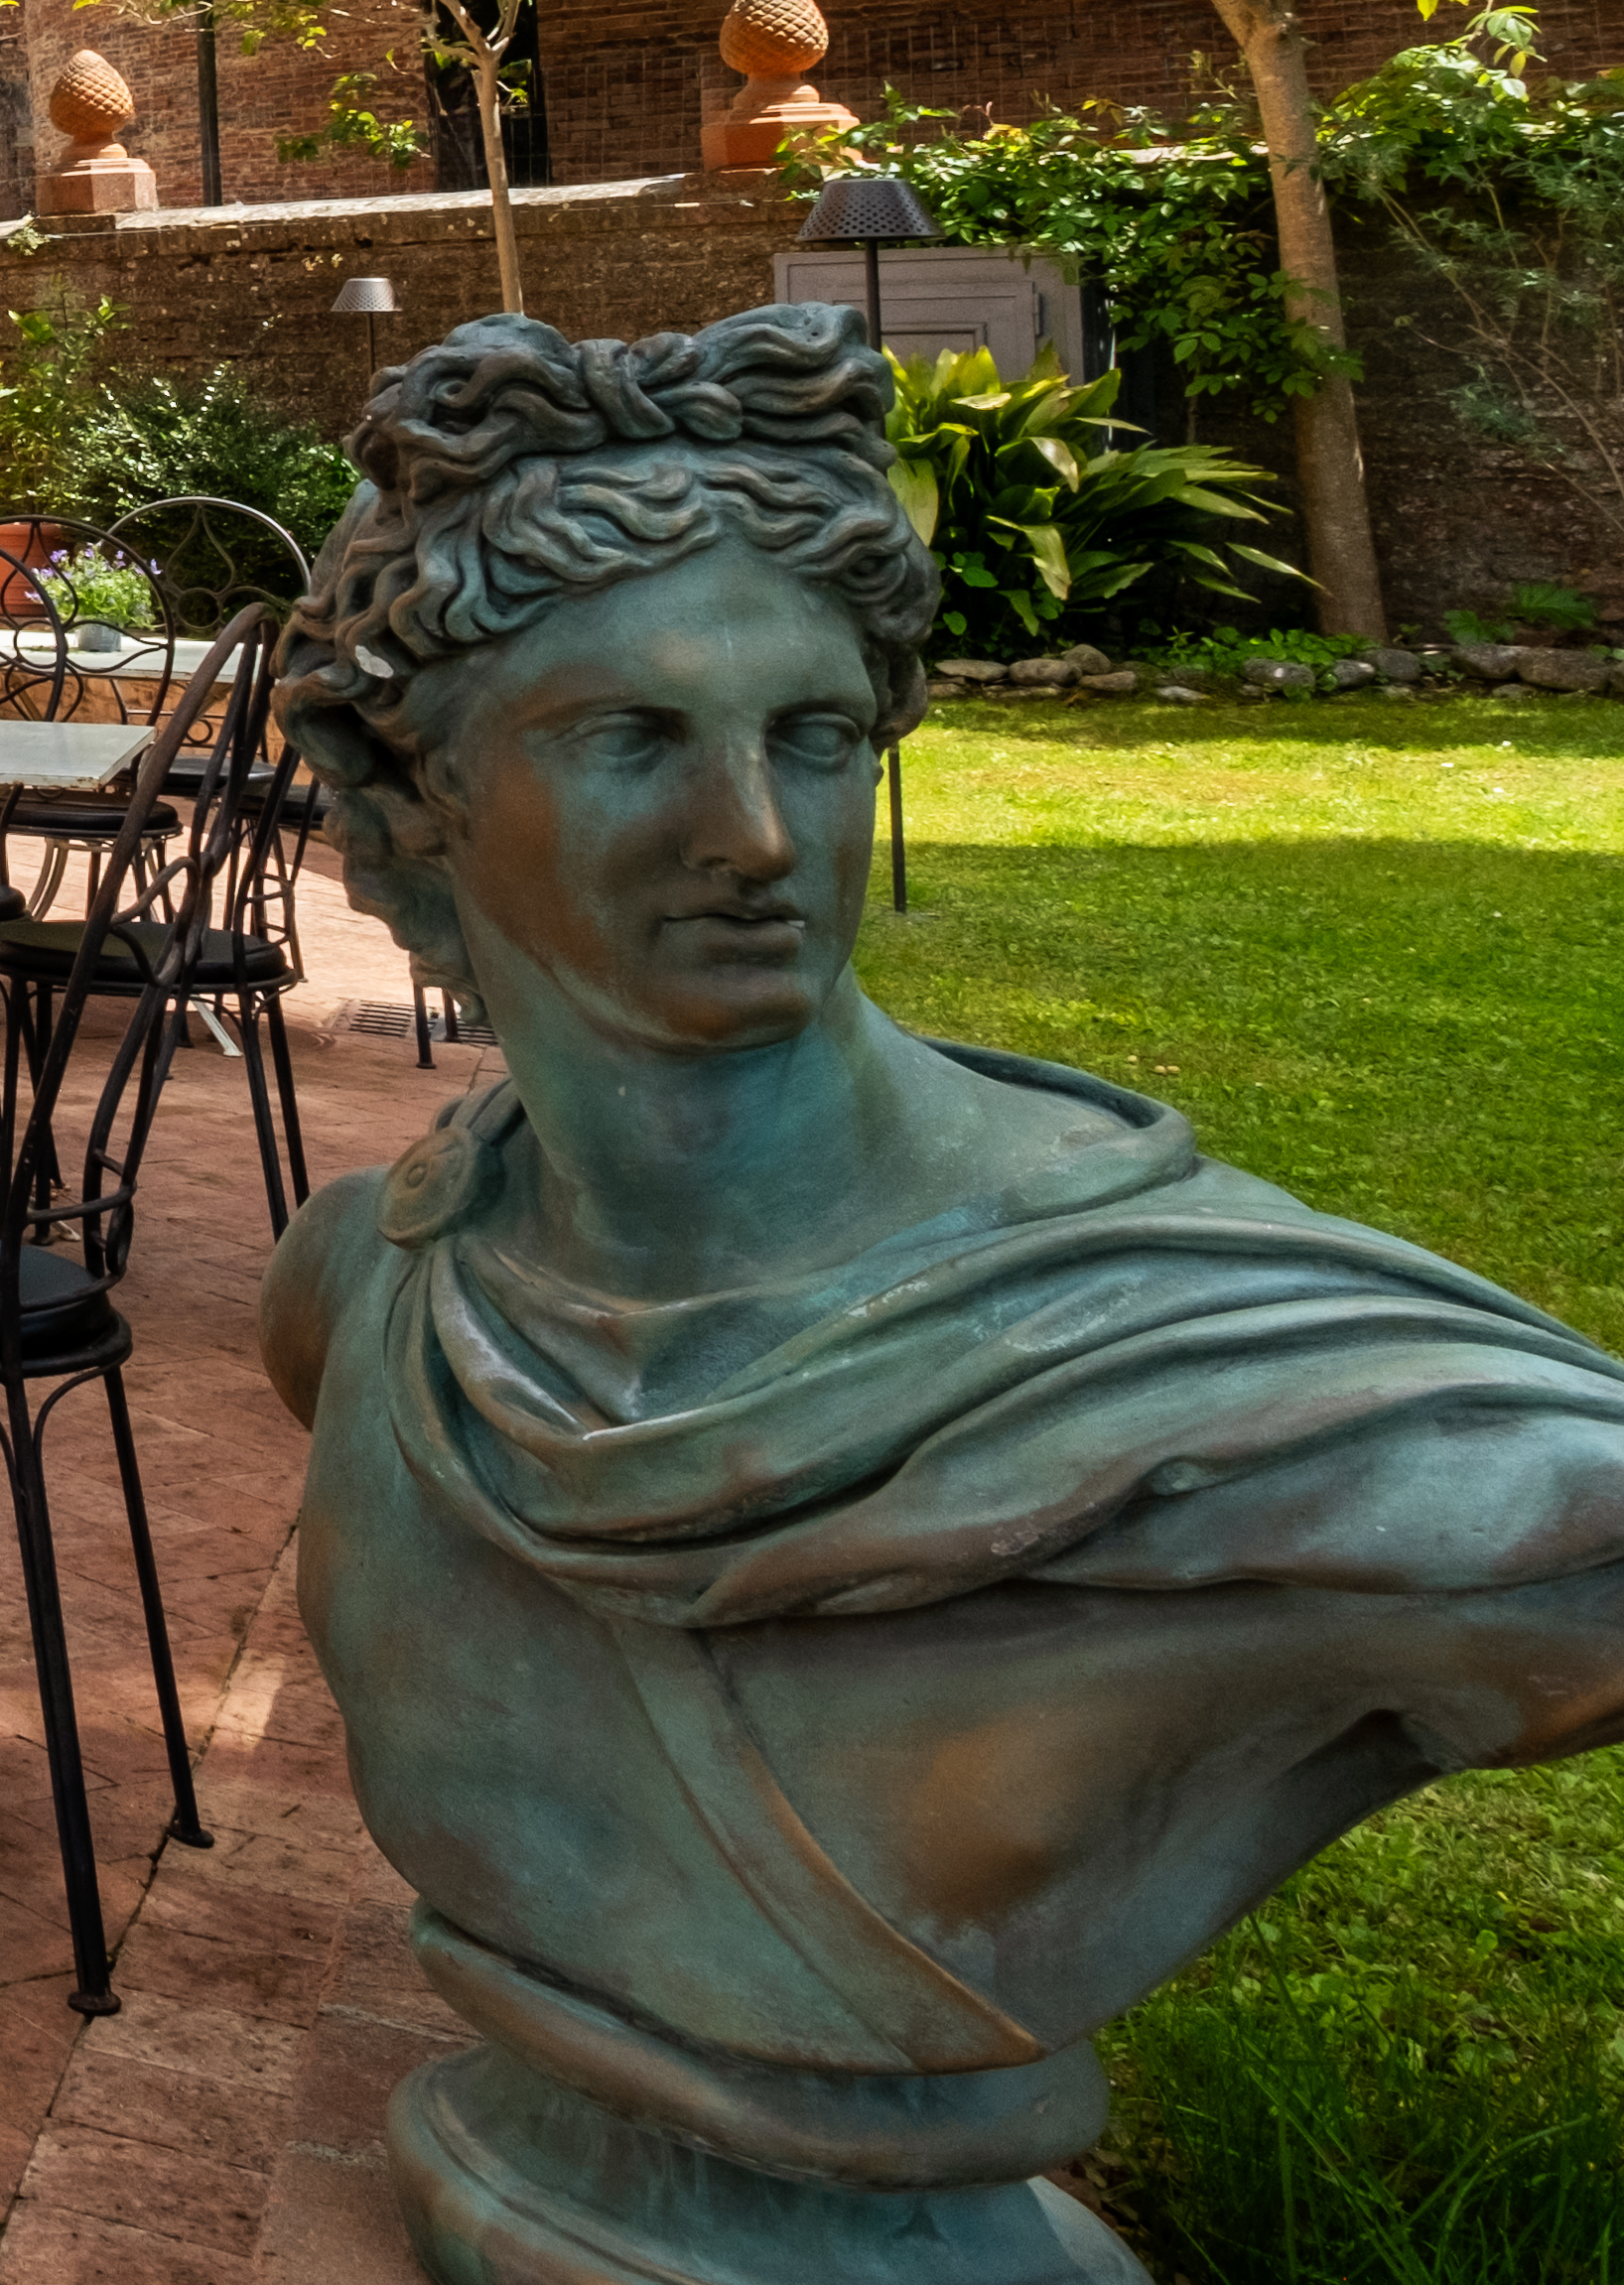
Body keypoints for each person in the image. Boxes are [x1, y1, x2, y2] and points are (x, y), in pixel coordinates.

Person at [265, 308, 1624, 2285]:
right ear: (402, 816)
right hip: (527, 2141)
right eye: (628, 735)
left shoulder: (1340, 1430)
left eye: (814, 736)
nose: (755, 834)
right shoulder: (367, 1296)